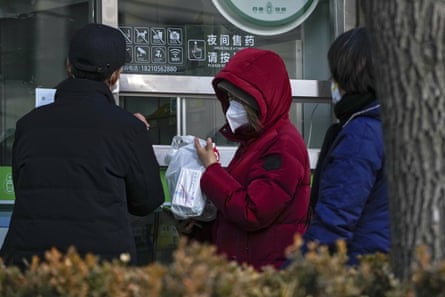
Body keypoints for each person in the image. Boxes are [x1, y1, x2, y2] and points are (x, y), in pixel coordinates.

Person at [0, 23, 165, 268]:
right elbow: (148, 201)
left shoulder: (28, 125)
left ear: (69, 65)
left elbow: (26, 185)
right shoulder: (128, 129)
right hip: (99, 270)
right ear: (115, 74)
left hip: (29, 267)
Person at [192, 48, 311, 271]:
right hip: (248, 268)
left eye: (240, 101)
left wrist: (212, 170)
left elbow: (253, 211)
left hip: (265, 272)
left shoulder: (283, 145)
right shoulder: (256, 141)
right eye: (230, 99)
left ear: (263, 102)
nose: (232, 108)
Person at [302, 27, 390, 265]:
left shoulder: (362, 132)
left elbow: (334, 220)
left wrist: (292, 276)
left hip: (360, 266)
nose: (332, 82)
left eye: (336, 74)